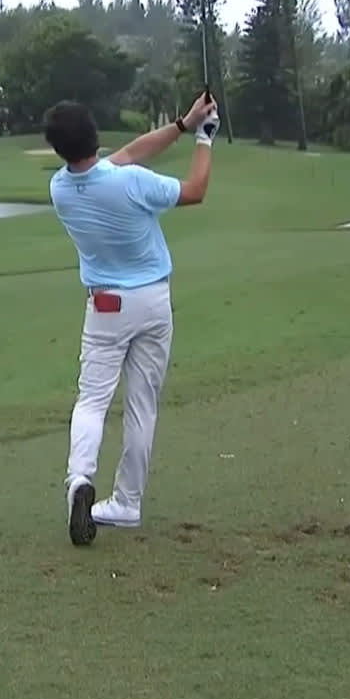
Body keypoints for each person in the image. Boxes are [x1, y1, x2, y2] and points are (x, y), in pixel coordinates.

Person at [45, 91, 220, 547]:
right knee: (142, 404)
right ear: (95, 136)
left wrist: (182, 125)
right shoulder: (133, 184)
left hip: (105, 307)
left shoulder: (60, 189)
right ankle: (126, 502)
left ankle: (80, 479)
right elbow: (195, 191)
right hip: (154, 303)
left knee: (91, 401)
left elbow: (126, 155)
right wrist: (204, 138)